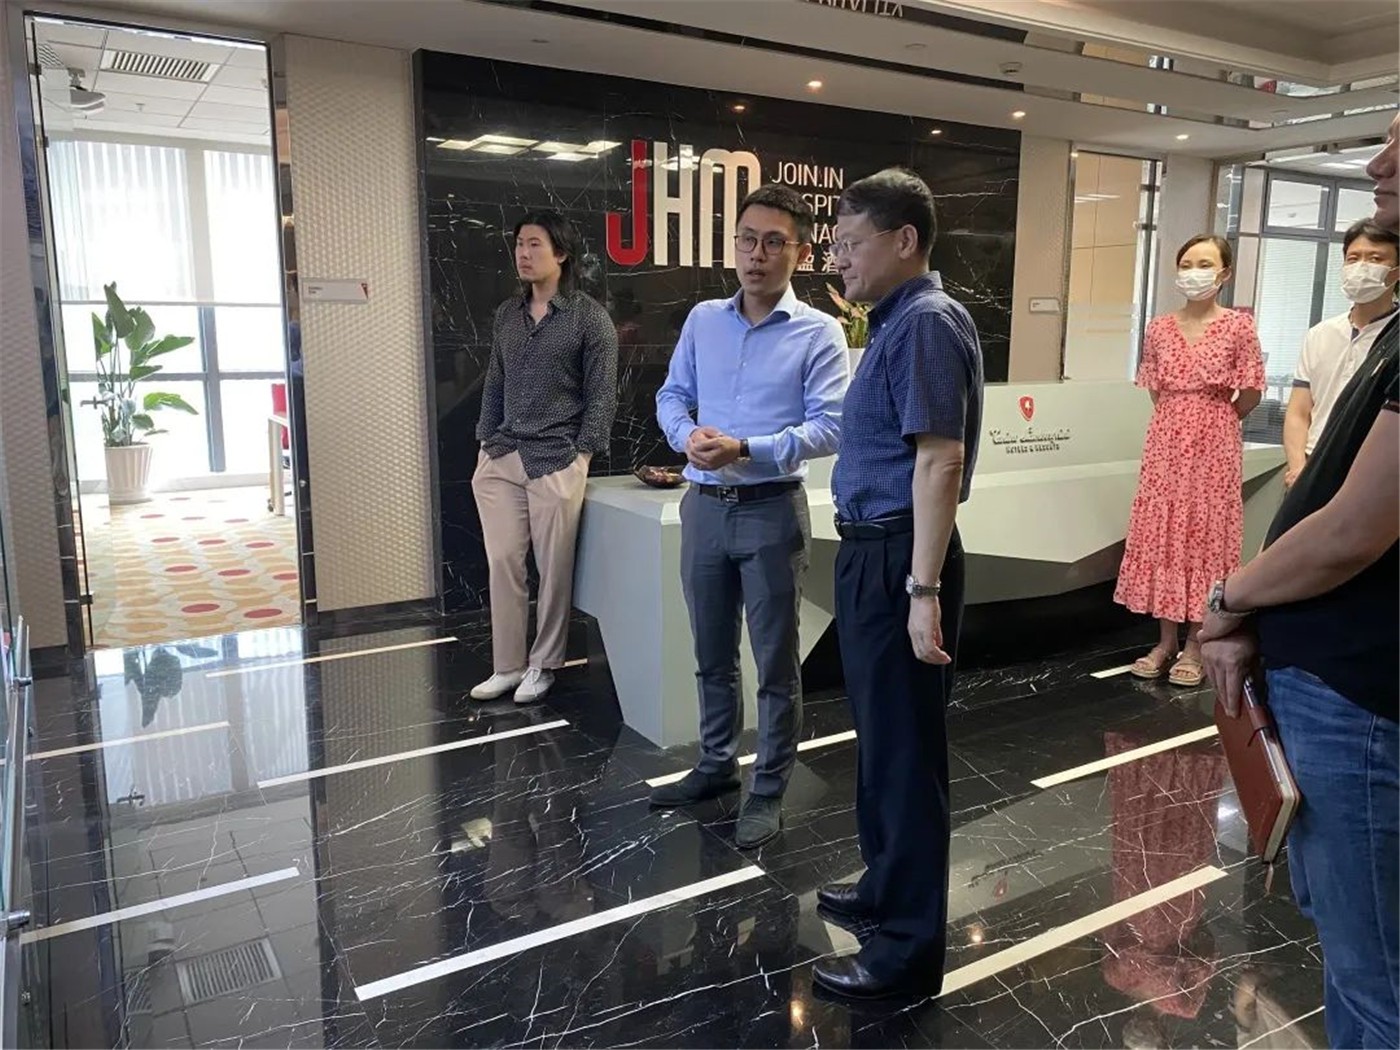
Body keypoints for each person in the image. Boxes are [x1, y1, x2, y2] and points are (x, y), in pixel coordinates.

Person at [1200, 112, 1399, 1050]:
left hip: (1365, 698)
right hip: (1338, 683)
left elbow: (1355, 529)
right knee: (1353, 954)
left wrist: (1228, 599)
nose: (1377, 162)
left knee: (1374, 977)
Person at [811, 168, 984, 1000]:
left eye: (851, 243)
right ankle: (884, 889)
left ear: (904, 240)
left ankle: (907, 951)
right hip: (875, 553)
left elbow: (940, 459)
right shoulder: (896, 322)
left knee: (908, 759)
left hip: (900, 559)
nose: (837, 260)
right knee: (883, 746)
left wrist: (922, 590)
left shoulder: (924, 323)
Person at [651, 185, 847, 849]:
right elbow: (672, 393)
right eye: (746, 239)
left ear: (801, 252)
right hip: (704, 507)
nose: (756, 254)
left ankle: (767, 787)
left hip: (770, 510)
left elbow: (830, 427)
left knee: (774, 662)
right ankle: (715, 766)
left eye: (772, 242)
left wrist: (747, 448)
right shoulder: (704, 319)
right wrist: (687, 436)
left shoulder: (819, 332)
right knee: (710, 652)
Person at [471, 211, 618, 704]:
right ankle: (508, 665)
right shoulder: (507, 315)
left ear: (562, 253)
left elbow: (602, 394)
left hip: (557, 457)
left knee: (554, 569)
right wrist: (485, 439)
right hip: (503, 455)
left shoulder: (589, 318)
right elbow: (495, 381)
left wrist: (582, 455)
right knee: (502, 563)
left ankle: (544, 664)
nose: (523, 253)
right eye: (519, 244)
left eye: (535, 244)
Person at [1114, 235, 1265, 688]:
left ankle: (1198, 641)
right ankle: (1165, 641)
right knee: (1164, 535)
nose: (1193, 272)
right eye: (1186, 263)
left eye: (1204, 263)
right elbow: (1156, 389)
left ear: (1224, 273)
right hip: (1166, 441)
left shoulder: (1238, 327)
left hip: (1216, 441)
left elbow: (1251, 393)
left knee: (1206, 536)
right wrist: (1180, 419)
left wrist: (1214, 419)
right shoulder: (1159, 328)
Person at [1283, 220, 1398, 488]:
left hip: (1374, 473)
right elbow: (1299, 411)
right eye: (1353, 258)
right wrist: (1298, 468)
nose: (1361, 267)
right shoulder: (1320, 334)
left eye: (1375, 259)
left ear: (1396, 271)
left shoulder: (1395, 337)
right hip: (1313, 463)